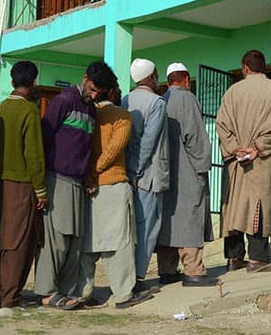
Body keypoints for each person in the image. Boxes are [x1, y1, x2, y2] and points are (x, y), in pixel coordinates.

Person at [34, 61, 115, 310]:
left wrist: (89, 176)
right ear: (84, 78)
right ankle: (47, 292)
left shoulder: (92, 111)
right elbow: (44, 138)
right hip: (57, 179)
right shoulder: (63, 101)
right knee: (55, 241)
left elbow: (87, 148)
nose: (93, 95)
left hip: (78, 183)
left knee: (74, 243)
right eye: (91, 89)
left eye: (98, 93)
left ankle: (66, 292)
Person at [78, 86, 153, 309]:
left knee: (88, 243)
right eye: (117, 88)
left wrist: (89, 174)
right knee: (120, 244)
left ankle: (83, 292)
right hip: (112, 184)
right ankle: (123, 294)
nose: (120, 92)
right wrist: (96, 171)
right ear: (109, 92)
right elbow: (113, 149)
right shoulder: (121, 116)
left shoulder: (87, 115)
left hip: (87, 187)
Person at [216, 50, 271, 273]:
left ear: (245, 67)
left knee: (234, 206)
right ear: (264, 67)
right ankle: (257, 258)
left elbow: (222, 124)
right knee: (259, 204)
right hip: (261, 159)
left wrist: (235, 148)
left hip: (236, 160)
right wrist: (257, 147)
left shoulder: (232, 91)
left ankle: (234, 258)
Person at [0, 61, 46, 309]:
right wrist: (41, 189)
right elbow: (33, 154)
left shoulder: (3, 106)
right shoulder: (30, 111)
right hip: (23, 184)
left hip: (2, 182)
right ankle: (11, 297)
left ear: (12, 82)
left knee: (2, 240)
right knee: (20, 242)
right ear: (33, 83)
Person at [155, 63, 216, 286]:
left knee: (168, 221)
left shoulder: (162, 100)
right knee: (190, 216)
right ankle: (193, 269)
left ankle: (167, 270)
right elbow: (195, 137)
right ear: (187, 80)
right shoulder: (187, 99)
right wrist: (203, 167)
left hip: (164, 172)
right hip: (187, 170)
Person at [121, 58, 171, 288]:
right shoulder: (157, 103)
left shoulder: (125, 100)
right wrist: (137, 171)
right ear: (151, 77)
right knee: (147, 227)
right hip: (147, 176)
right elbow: (148, 142)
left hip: (127, 173)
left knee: (130, 228)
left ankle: (127, 275)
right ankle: (137, 278)